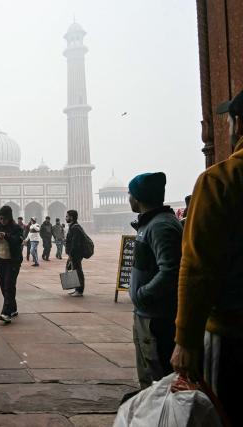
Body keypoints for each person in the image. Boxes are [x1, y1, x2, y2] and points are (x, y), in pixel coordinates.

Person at [171, 89, 243, 424]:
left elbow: (198, 267)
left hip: (232, 330)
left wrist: (186, 339)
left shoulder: (222, 181)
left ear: (237, 124)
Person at [127, 172, 182, 389]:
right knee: (149, 374)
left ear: (138, 197)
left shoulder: (160, 226)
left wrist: (143, 295)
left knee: (158, 378)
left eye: (130, 194)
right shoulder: (152, 224)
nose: (128, 198)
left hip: (156, 316)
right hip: (147, 313)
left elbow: (171, 270)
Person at [0, 206, 23, 323]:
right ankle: (13, 308)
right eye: (0, 218)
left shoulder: (16, 228)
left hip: (12, 261)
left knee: (9, 284)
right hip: (0, 261)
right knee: (4, 286)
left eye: (4, 218)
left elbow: (17, 241)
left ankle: (6, 313)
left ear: (9, 218)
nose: (2, 220)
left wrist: (6, 236)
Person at [65, 210, 86, 296]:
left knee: (78, 271)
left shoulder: (75, 228)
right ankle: (77, 289)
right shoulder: (73, 226)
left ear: (71, 217)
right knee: (75, 270)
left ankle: (79, 291)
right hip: (74, 253)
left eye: (67, 216)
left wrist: (71, 254)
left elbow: (75, 243)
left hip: (76, 253)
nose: (66, 218)